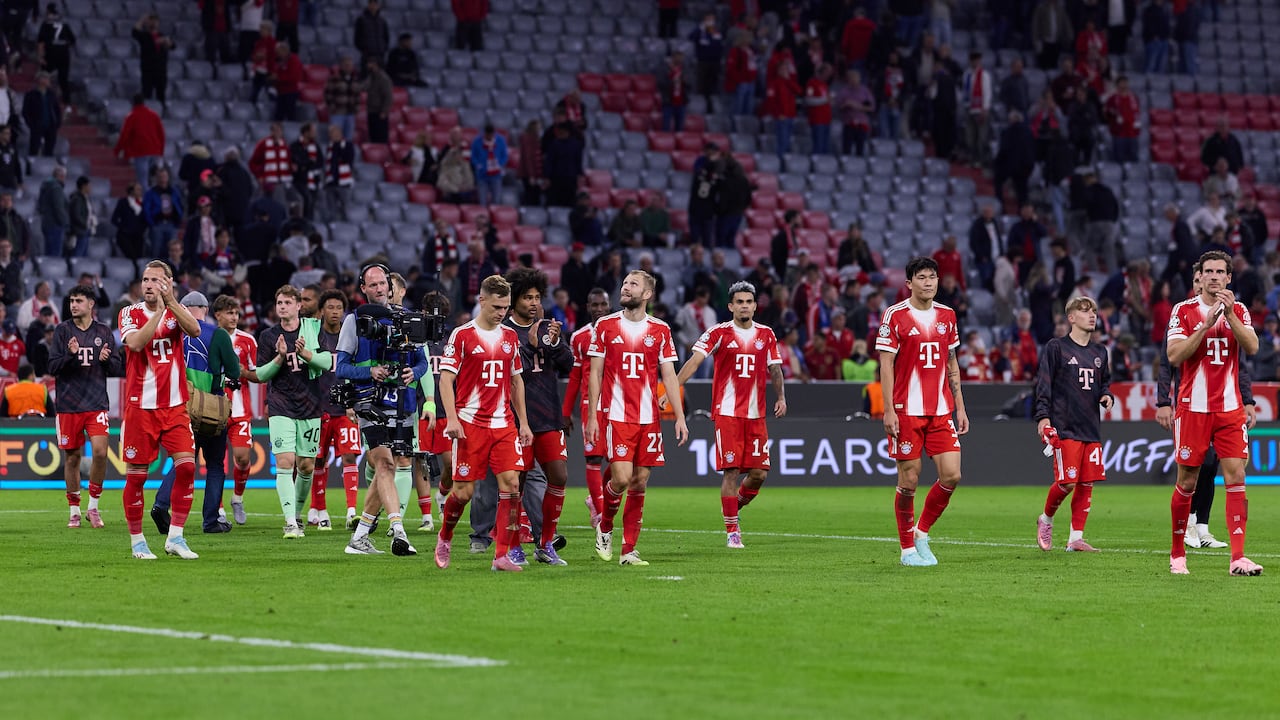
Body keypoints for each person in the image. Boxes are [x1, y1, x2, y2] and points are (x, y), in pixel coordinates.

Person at [1164, 250, 1261, 576]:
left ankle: (1238, 558)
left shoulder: (1240, 310)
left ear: (1229, 277)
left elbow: (1252, 347)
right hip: (1193, 409)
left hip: (1230, 409)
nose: (1215, 276)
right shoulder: (1184, 310)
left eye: (1221, 271)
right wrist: (1205, 326)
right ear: (1200, 276)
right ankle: (1178, 553)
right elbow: (1175, 355)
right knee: (1188, 481)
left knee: (1236, 476)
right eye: (1209, 271)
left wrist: (1229, 315)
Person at [467, 268, 573, 566]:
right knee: (515, 482)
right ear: (514, 300)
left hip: (549, 414)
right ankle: (512, 545)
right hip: (515, 417)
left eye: (538, 297)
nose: (534, 303)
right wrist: (532, 347)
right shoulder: (505, 332)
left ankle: (546, 543)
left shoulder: (549, 328)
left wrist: (553, 344)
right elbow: (513, 375)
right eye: (527, 297)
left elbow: (569, 363)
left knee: (559, 476)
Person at [585, 270, 689, 566]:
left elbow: (668, 374)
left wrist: (679, 416)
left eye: (633, 284)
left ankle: (628, 550)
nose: (625, 287)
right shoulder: (605, 326)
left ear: (647, 294)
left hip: (649, 418)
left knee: (640, 481)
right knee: (621, 478)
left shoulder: (660, 329)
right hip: (617, 416)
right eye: (625, 283)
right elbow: (594, 373)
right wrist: (592, 415)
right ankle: (605, 526)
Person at [432, 274, 532, 572]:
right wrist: (451, 418)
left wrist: (523, 423)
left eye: (505, 307)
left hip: (503, 424)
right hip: (469, 424)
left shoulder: (510, 337)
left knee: (512, 485)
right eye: (497, 306)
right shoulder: (462, 335)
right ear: (482, 300)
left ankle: (501, 555)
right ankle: (445, 536)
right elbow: (446, 380)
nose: (501, 313)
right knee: (463, 493)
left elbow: (516, 382)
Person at [675, 281, 786, 548]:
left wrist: (781, 396)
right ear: (730, 306)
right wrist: (673, 387)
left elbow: (775, 369)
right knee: (732, 472)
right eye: (739, 302)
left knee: (759, 473)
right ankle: (732, 531)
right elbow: (695, 361)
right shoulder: (718, 333)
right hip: (727, 413)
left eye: (749, 301)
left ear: (755, 306)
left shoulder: (767, 334)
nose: (744, 305)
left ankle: (732, 508)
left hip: (756, 414)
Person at [877, 256, 969, 567]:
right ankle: (906, 551)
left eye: (932, 277)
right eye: (922, 277)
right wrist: (888, 410)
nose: (928, 282)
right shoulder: (895, 316)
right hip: (906, 411)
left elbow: (951, 363)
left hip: (941, 409)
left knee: (952, 474)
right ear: (909, 283)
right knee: (910, 479)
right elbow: (885, 366)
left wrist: (960, 406)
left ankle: (921, 533)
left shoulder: (948, 315)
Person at [338, 264, 428, 556]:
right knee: (385, 464)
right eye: (372, 284)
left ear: (390, 286)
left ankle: (360, 536)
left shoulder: (405, 317)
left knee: (386, 469)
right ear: (362, 289)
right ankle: (398, 531)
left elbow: (422, 361)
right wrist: (370, 372)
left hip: (400, 402)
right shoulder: (353, 320)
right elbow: (340, 367)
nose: (378, 288)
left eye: (382, 283)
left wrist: (412, 373)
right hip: (368, 401)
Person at [118, 260, 202, 560]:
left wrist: (171, 304)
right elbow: (138, 344)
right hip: (141, 407)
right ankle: (138, 541)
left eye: (155, 279)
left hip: (175, 405)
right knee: (137, 476)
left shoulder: (176, 311)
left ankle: (176, 537)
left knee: (188, 467)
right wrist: (159, 314)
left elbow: (194, 329)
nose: (149, 284)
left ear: (168, 283)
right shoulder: (129, 312)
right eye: (145, 279)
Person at [150, 291, 240, 534]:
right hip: (210, 408)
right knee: (214, 465)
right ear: (206, 310)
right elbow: (234, 371)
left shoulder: (172, 333)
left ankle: (161, 503)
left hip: (179, 406)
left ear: (182, 308)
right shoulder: (218, 334)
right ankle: (211, 521)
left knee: (182, 460)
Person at [1033, 296, 1113, 553]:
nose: (1092, 315)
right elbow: (1044, 384)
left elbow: (1105, 383)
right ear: (1071, 317)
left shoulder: (1100, 352)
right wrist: (1043, 417)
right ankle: (1045, 518)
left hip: (1090, 426)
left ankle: (1075, 538)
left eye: (1093, 311)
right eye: (1085, 311)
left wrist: (1107, 395)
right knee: (1067, 482)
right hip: (1064, 426)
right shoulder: (1057, 348)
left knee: (1086, 483)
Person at [254, 284, 329, 539]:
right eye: (279, 303)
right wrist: (279, 357)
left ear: (299, 306)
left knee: (306, 466)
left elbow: (328, 362)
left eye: (287, 303)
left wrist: (304, 353)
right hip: (280, 405)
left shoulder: (314, 329)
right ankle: (290, 523)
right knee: (285, 462)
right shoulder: (268, 336)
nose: (282, 307)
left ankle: (297, 514)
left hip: (310, 405)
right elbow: (260, 374)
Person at [48, 285, 117, 529]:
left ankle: (93, 507)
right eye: (71, 301)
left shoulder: (104, 331)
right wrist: (69, 355)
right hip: (68, 405)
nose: (73, 304)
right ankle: (74, 510)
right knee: (73, 457)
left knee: (100, 452)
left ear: (91, 305)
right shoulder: (62, 331)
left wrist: (107, 361)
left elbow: (119, 367)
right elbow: (52, 367)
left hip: (96, 403)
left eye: (79, 300)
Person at [562, 287, 612, 528]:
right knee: (593, 458)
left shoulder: (619, 331)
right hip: (590, 406)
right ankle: (600, 511)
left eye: (603, 304)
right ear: (588, 307)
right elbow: (574, 377)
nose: (600, 309)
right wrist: (565, 411)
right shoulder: (579, 337)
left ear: (610, 305)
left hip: (617, 405)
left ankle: (596, 498)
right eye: (595, 305)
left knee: (619, 461)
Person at [310, 289, 358, 530]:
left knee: (350, 455)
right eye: (330, 307)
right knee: (318, 462)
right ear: (322, 311)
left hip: (345, 409)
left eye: (339, 308)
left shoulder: (350, 338)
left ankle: (351, 512)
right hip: (319, 410)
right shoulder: (314, 338)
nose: (335, 312)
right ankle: (321, 511)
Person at [212, 294, 257, 526]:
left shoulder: (247, 341)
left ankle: (237, 498)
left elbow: (257, 374)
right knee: (217, 461)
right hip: (214, 409)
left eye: (236, 313)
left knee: (241, 458)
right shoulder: (208, 337)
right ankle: (218, 508)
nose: (234, 317)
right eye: (229, 313)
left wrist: (243, 372)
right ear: (218, 315)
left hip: (240, 411)